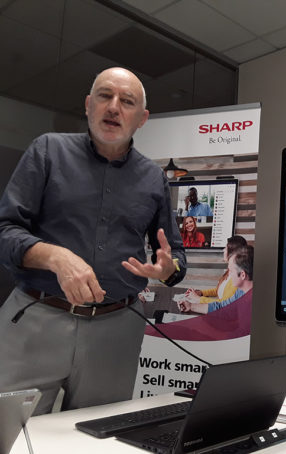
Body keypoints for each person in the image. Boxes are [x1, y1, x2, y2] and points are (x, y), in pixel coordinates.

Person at [0, 67, 186, 415]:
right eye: (105, 96)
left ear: (142, 118)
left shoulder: (153, 178)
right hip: (36, 318)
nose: (114, 107)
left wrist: (167, 269)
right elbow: (5, 230)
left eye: (127, 101)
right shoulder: (48, 150)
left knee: (96, 436)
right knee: (8, 434)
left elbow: (175, 255)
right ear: (88, 105)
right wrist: (54, 257)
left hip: (116, 330)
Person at [179, 245, 253, 315]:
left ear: (243, 275)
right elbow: (221, 307)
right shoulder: (240, 291)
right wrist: (190, 306)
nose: (229, 274)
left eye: (231, 271)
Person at [194, 235, 247, 302]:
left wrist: (198, 299)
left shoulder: (237, 277)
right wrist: (201, 293)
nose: (223, 250)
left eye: (226, 248)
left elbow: (223, 304)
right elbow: (218, 291)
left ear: (232, 252)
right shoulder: (229, 271)